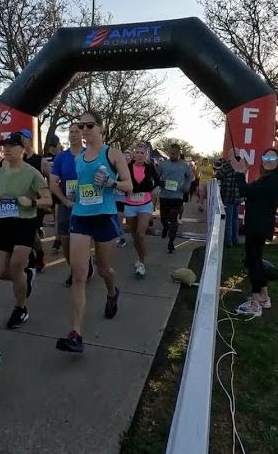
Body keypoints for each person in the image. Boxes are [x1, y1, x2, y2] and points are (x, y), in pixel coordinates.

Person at [58, 110, 133, 354]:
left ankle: (112, 291)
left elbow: (128, 185)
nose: (84, 130)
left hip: (104, 217)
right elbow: (81, 185)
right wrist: (74, 194)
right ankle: (76, 334)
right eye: (81, 126)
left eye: (90, 125)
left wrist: (111, 183)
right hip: (80, 216)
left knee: (103, 269)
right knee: (78, 275)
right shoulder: (78, 158)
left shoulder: (112, 153)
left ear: (101, 128)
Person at [0, 132, 52, 329]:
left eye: (11, 145)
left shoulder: (32, 173)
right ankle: (27, 277)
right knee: (0, 271)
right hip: (5, 224)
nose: (6, 149)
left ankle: (20, 308)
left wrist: (32, 201)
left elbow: (48, 200)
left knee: (16, 265)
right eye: (4, 145)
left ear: (22, 148)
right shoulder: (1, 172)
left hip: (25, 223)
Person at [229, 148, 278, 315]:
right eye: (265, 157)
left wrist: (240, 173)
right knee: (256, 260)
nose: (268, 160)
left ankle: (255, 303)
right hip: (258, 224)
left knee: (253, 262)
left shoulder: (273, 180)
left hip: (259, 226)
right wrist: (243, 173)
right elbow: (250, 192)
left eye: (272, 157)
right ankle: (263, 296)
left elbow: (245, 191)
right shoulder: (269, 179)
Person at [50, 130, 95, 287]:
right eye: (71, 132)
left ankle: (79, 270)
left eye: (77, 131)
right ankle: (74, 269)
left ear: (82, 135)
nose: (73, 134)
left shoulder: (90, 154)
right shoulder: (61, 157)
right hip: (67, 205)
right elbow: (53, 182)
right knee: (66, 241)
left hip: (86, 206)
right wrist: (64, 201)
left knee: (82, 241)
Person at [122, 144, 161, 278]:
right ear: (134, 155)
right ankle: (139, 256)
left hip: (145, 203)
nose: (139, 155)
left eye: (142, 153)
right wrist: (126, 188)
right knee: (134, 235)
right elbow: (120, 182)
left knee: (140, 234)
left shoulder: (150, 167)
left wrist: (155, 189)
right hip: (130, 204)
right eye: (137, 152)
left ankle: (142, 263)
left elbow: (158, 181)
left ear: (146, 155)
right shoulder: (127, 167)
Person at [18, 128, 49, 272]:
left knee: (32, 234)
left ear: (30, 140)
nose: (21, 140)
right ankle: (31, 258)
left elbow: (49, 180)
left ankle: (40, 254)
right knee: (24, 233)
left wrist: (47, 200)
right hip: (20, 202)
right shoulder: (17, 160)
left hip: (36, 202)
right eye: (19, 138)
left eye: (24, 137)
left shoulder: (40, 160)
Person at [157, 144, 194, 253]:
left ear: (179, 153)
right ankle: (165, 227)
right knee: (163, 218)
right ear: (169, 153)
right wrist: (160, 182)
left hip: (177, 196)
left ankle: (171, 242)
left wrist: (186, 186)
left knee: (173, 219)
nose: (174, 155)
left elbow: (190, 177)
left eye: (176, 154)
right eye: (172, 153)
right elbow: (157, 176)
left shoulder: (184, 165)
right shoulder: (163, 164)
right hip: (164, 195)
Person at [215, 154, 244, 246]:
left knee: (228, 220)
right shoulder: (241, 168)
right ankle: (235, 240)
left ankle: (228, 241)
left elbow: (218, 175)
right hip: (237, 197)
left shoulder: (227, 167)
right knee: (235, 220)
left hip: (228, 196)